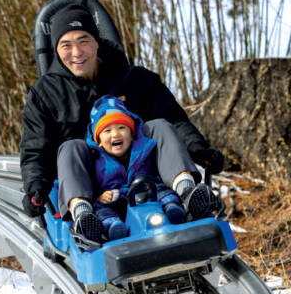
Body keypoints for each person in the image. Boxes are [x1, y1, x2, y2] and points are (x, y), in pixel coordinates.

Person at [20, 2, 224, 244]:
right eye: (66, 45)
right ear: (56, 50)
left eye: (84, 40)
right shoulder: (45, 94)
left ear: (97, 41)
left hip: (147, 172)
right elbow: (35, 149)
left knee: (158, 124)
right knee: (70, 147)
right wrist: (35, 188)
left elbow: (174, 119)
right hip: (93, 186)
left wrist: (198, 150)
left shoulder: (136, 80)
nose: (76, 52)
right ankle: (84, 216)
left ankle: (186, 192)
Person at [86, 95, 213, 241]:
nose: (115, 134)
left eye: (121, 128)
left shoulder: (143, 150)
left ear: (132, 134)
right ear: (99, 141)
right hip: (116, 204)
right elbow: (91, 185)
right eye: (107, 131)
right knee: (102, 210)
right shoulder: (96, 160)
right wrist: (99, 196)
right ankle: (112, 227)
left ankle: (174, 206)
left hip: (148, 196)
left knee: (162, 190)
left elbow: (158, 168)